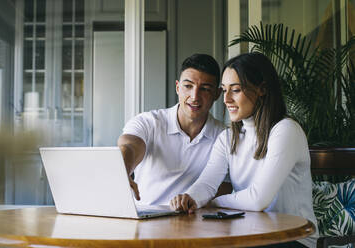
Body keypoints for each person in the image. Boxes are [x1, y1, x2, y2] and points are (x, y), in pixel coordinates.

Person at [170, 52, 318, 248]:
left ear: (262, 89)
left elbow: (258, 200)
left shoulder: (285, 130)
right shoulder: (228, 138)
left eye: (236, 90)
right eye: (224, 90)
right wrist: (190, 198)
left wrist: (214, 203)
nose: (226, 99)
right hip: (251, 236)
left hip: (292, 240)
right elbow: (207, 184)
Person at [118, 53, 227, 206]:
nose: (195, 96)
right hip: (146, 221)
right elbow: (130, 146)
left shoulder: (224, 136)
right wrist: (123, 170)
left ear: (217, 94)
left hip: (196, 223)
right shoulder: (149, 122)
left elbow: (225, 186)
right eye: (188, 86)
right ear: (177, 87)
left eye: (205, 89)